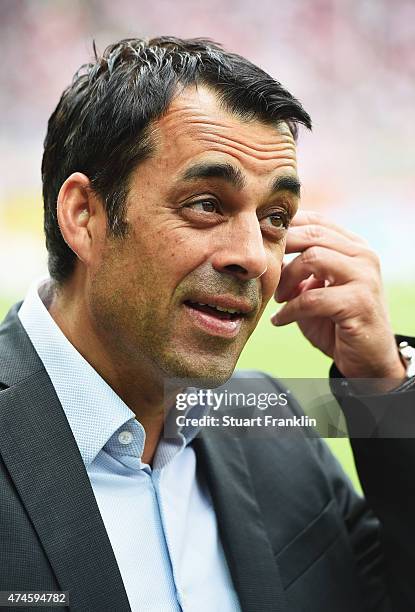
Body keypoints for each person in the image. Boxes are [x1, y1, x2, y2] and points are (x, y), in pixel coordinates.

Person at [0, 37, 414, 612]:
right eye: (206, 204)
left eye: (275, 218)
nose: (254, 256)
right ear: (84, 215)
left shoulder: (270, 418)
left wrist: (382, 383)